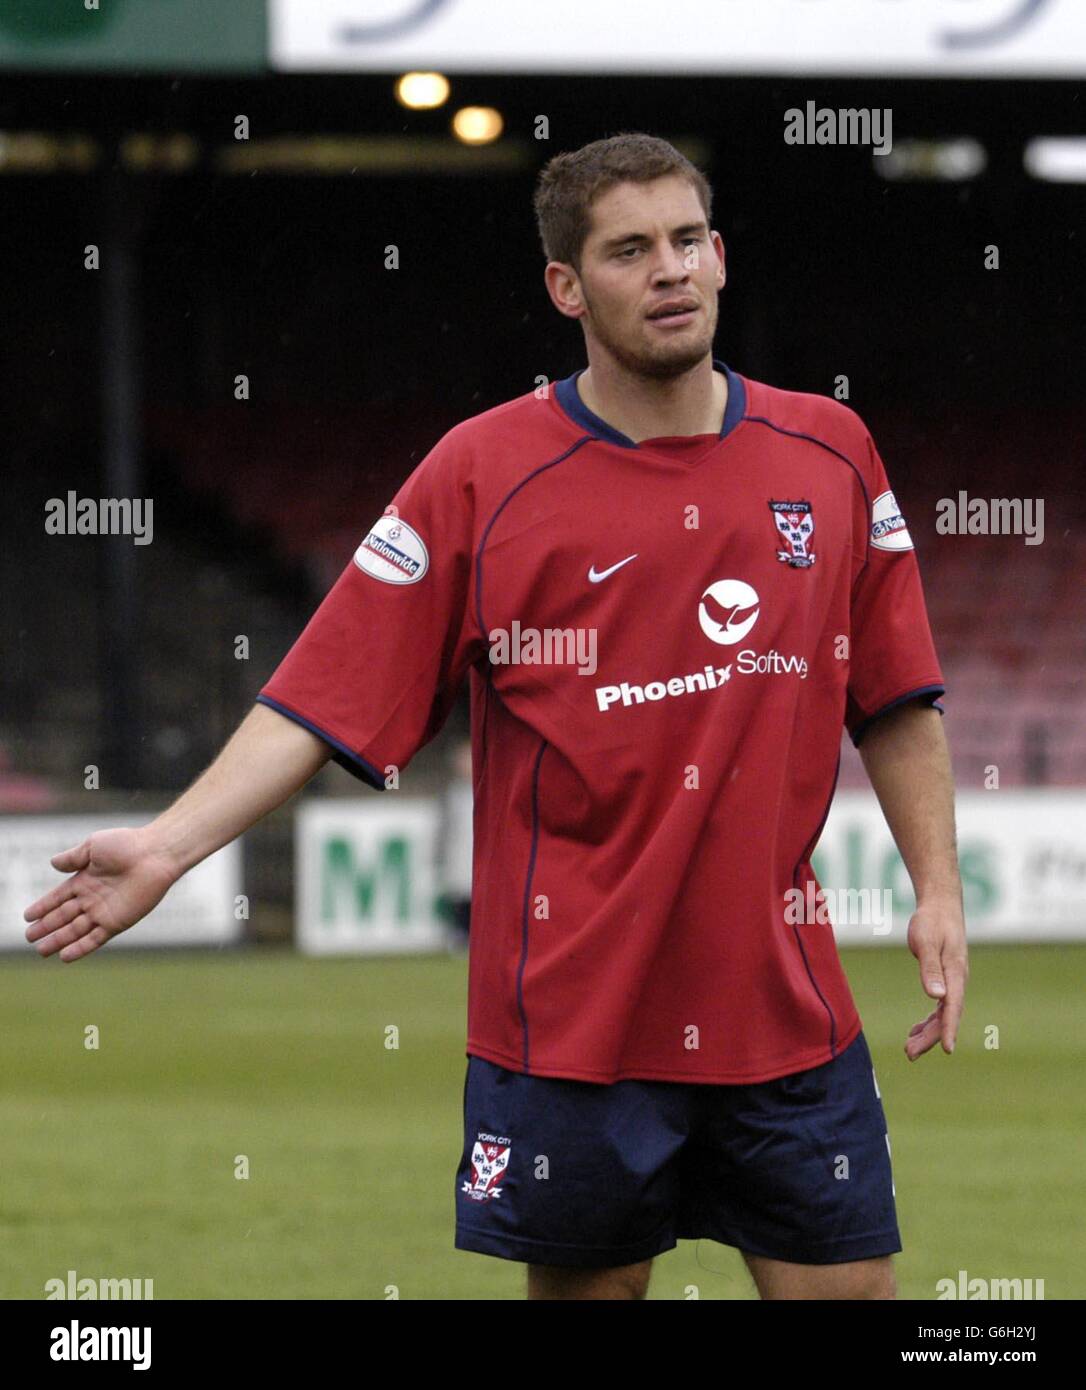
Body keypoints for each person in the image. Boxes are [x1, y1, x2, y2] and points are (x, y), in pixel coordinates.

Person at [24, 132, 968, 1301]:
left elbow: (896, 696)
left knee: (854, 1294)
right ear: (568, 287)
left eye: (686, 241)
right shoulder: (482, 473)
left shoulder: (829, 454)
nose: (669, 269)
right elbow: (326, 692)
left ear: (721, 257)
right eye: (629, 250)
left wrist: (937, 885)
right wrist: (167, 846)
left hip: (779, 997)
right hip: (568, 1015)